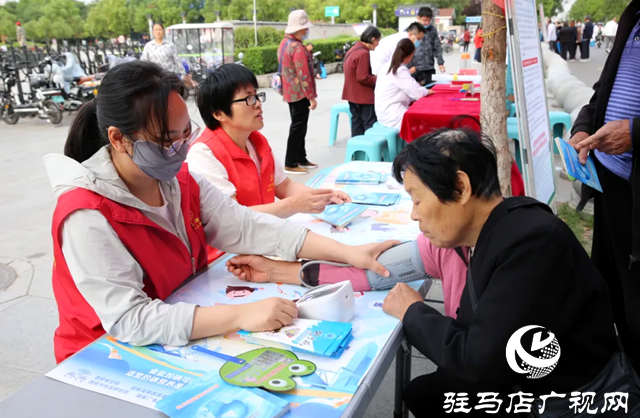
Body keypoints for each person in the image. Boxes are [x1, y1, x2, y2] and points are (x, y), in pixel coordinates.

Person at [43, 61, 397, 363]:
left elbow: (247, 226)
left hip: (179, 322)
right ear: (119, 139)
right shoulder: (86, 213)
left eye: (187, 134)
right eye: (168, 141)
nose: (182, 149)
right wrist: (241, 314)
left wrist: (350, 253)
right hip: (103, 354)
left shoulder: (180, 180)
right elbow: (131, 319)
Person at [387, 129, 617, 418]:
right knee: (425, 393)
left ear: (460, 187)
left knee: (431, 395)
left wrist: (413, 312)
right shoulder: (501, 229)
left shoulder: (533, 244)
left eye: (417, 200)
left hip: (561, 406)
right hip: (520, 383)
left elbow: (480, 366)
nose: (414, 215)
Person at [568, 0, 640, 373]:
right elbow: (605, 89)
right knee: (613, 288)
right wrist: (584, 124)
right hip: (611, 183)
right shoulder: (633, 13)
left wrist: (635, 132)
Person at [187, 63, 350, 220]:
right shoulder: (204, 155)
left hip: (264, 237)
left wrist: (325, 196)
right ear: (219, 113)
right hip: (230, 248)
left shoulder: (256, 141)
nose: (258, 104)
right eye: (248, 99)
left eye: (257, 96)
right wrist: (293, 205)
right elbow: (232, 218)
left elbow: (284, 186)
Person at [277, 10, 318, 175]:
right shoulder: (298, 47)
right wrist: (312, 97)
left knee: (299, 126)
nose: (306, 31)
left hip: (289, 91)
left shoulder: (284, 43)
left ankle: (301, 157)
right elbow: (304, 74)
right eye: (305, 28)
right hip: (300, 93)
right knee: (298, 127)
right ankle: (291, 162)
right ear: (300, 30)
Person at [374, 39, 432, 130]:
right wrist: (427, 91)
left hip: (383, 112)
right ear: (411, 55)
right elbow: (417, 93)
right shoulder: (399, 70)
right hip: (393, 116)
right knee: (424, 124)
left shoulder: (388, 66)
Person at [342, 25, 381, 136]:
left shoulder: (353, 49)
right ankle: (370, 151)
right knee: (369, 124)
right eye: (378, 41)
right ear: (373, 39)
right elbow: (363, 77)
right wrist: (379, 79)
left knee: (356, 123)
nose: (378, 44)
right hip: (363, 97)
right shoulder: (363, 53)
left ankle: (358, 150)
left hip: (352, 95)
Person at [408, 7, 445, 86]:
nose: (427, 23)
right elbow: (406, 50)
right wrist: (410, 66)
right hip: (415, 68)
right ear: (418, 18)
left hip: (429, 68)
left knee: (430, 91)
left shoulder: (432, 30)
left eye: (429, 20)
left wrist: (440, 62)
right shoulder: (411, 30)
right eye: (424, 20)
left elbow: (437, 47)